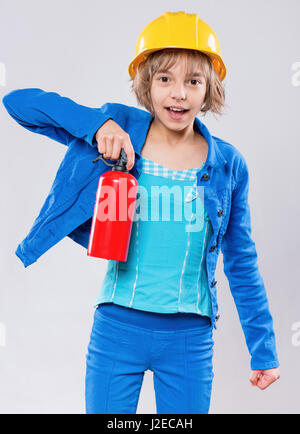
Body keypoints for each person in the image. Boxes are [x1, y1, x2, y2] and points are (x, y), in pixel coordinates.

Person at [2, 11, 280, 414]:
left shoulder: (227, 165)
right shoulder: (118, 134)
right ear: (146, 83)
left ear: (209, 89)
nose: (178, 94)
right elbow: (17, 103)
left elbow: (242, 262)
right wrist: (97, 125)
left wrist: (264, 350)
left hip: (190, 338)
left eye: (193, 81)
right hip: (117, 328)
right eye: (165, 78)